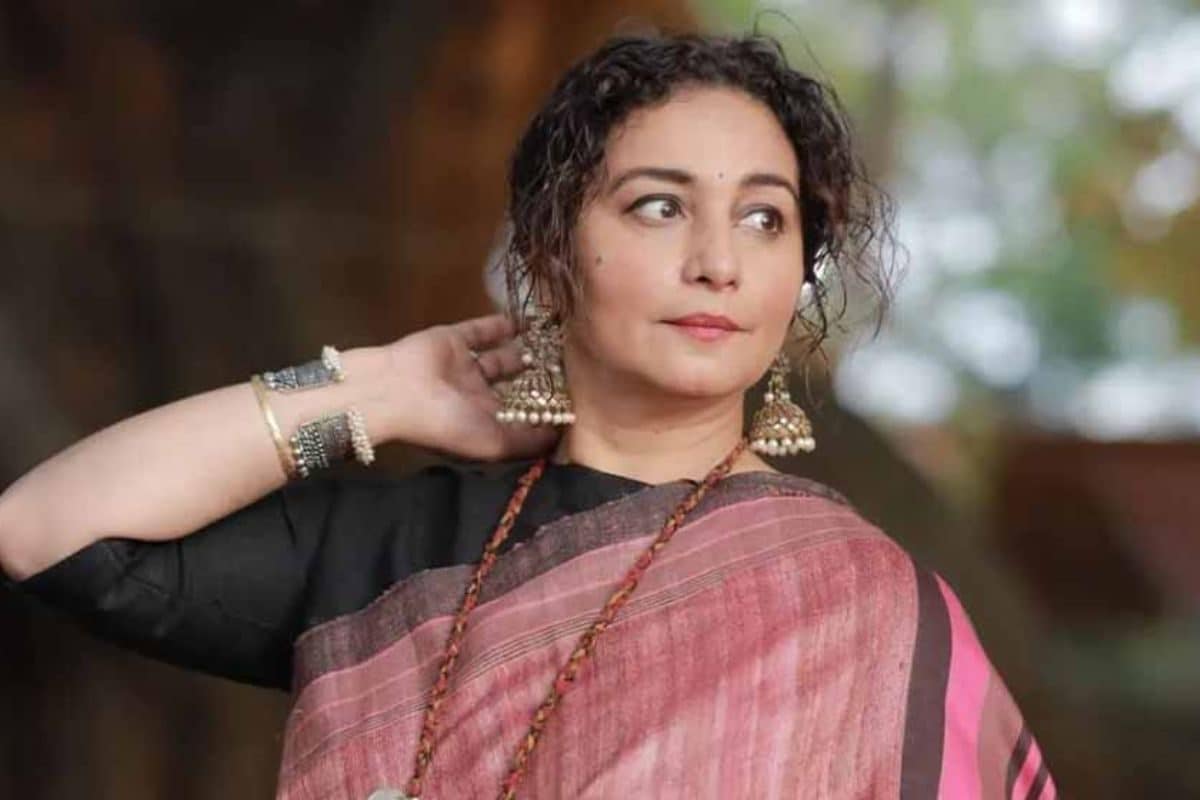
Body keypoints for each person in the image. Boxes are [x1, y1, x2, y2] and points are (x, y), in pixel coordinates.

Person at [0, 30, 1057, 800]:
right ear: (551, 253)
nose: (717, 261)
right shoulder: (401, 556)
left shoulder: (860, 605)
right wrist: (376, 391)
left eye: (762, 218)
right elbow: (44, 529)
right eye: (659, 205)